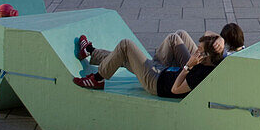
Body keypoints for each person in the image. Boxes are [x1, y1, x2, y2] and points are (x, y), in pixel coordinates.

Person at [72, 30, 224, 97]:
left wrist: (187, 66)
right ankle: (91, 51)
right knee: (178, 35)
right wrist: (219, 39)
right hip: (165, 70)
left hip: (155, 82)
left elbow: (175, 89)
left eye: (199, 49)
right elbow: (207, 34)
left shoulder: (199, 74)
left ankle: (97, 79)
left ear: (205, 56)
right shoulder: (213, 59)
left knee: (126, 46)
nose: (195, 50)